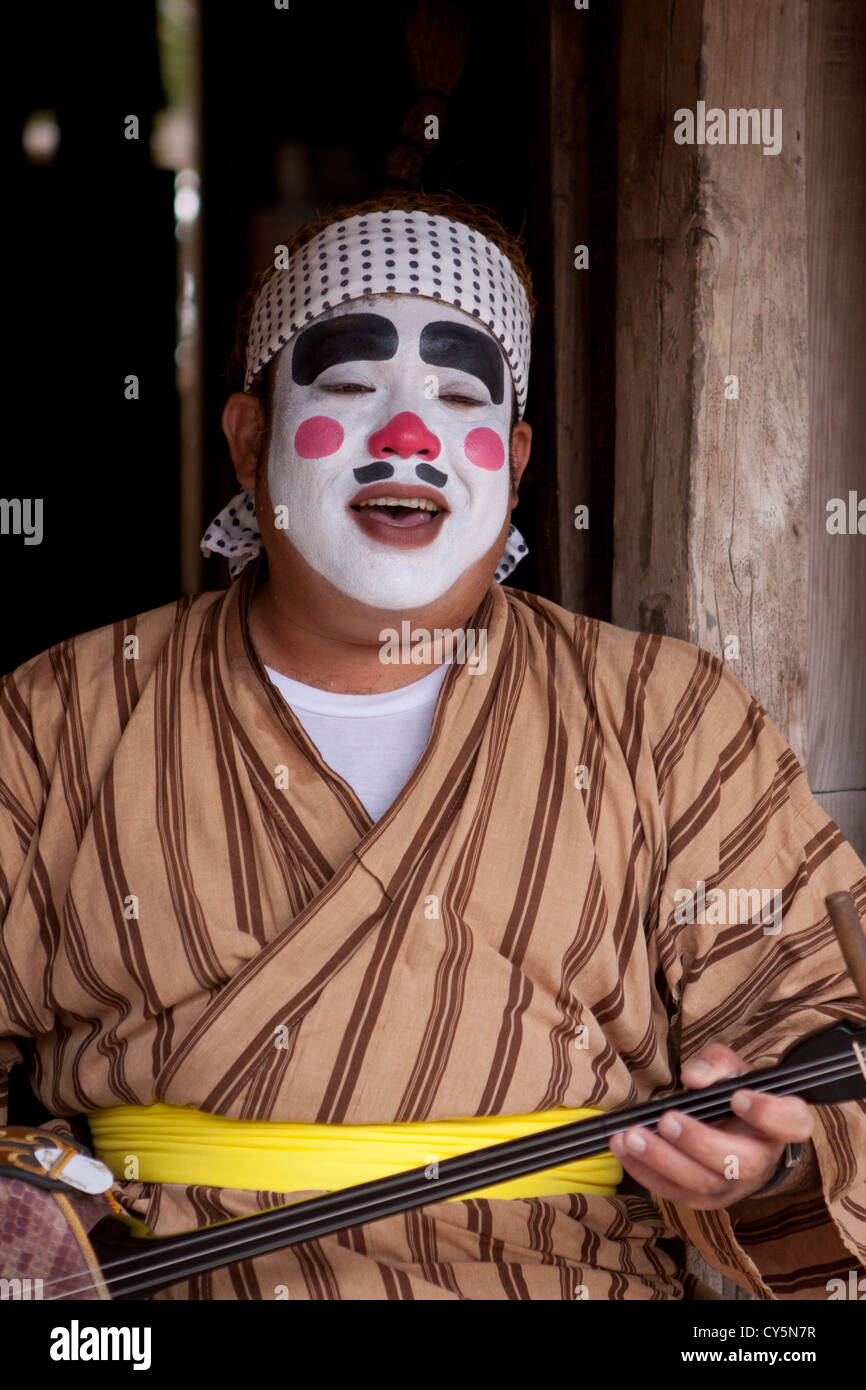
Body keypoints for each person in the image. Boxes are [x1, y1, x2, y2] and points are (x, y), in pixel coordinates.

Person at [1, 189, 864, 1301]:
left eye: (455, 398)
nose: (405, 437)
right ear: (248, 439)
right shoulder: (64, 714)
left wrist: (767, 1155)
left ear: (510, 460)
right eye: (352, 388)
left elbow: (822, 1034)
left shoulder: (661, 712)